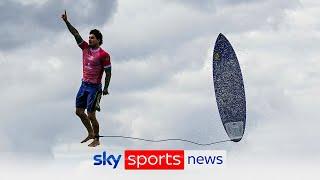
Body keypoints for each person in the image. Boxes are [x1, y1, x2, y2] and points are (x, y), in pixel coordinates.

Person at [61, 10, 112, 147]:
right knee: (78, 111)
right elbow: (75, 33)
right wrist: (66, 22)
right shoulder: (85, 48)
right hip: (84, 85)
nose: (89, 39)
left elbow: (108, 72)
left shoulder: (104, 55)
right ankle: (90, 133)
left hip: (95, 88)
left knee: (91, 115)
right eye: (89, 37)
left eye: (93, 38)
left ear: (99, 40)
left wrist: (106, 88)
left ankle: (96, 138)